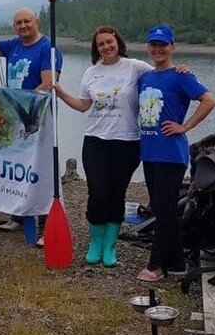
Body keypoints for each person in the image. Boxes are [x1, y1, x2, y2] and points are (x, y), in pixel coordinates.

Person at [53, 26, 188, 267]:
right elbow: (84, 105)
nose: (106, 46)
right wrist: (62, 93)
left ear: (118, 42)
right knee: (98, 193)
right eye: (101, 44)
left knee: (117, 193)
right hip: (95, 140)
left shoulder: (135, 67)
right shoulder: (91, 73)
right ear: (96, 48)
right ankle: (96, 242)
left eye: (109, 41)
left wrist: (181, 70)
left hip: (127, 142)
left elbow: (162, 72)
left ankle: (110, 246)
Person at [136, 25, 215, 282]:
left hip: (170, 155)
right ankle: (178, 263)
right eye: (153, 45)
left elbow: (209, 100)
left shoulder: (181, 76)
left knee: (164, 211)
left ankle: (157, 265)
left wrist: (185, 126)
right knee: (164, 209)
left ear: (172, 47)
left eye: (163, 45)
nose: (158, 49)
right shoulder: (146, 77)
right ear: (148, 47)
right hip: (149, 153)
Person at [0, 2, 62, 240]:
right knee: (17, 167)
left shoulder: (48, 48)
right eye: (19, 23)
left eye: (28, 21)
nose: (23, 26)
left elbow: (48, 82)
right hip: (14, 117)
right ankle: (18, 215)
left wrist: (23, 106)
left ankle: (46, 225)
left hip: (38, 118)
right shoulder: (14, 45)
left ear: (37, 22)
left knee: (41, 170)